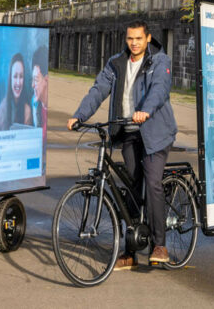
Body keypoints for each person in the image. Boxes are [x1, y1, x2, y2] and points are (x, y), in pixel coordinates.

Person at [67, 20, 177, 269]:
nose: (134, 43)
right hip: (128, 133)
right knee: (131, 187)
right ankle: (130, 252)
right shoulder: (117, 63)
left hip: (154, 132)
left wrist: (145, 111)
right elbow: (98, 89)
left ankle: (159, 244)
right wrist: (79, 115)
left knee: (152, 183)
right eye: (130, 38)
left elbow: (160, 89)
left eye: (139, 38)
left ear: (148, 38)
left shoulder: (159, 61)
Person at [0, 52, 32, 131]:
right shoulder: (1, 113)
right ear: (10, 79)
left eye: (21, 76)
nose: (18, 82)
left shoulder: (27, 111)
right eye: (15, 76)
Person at [30, 46, 48, 131]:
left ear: (46, 79)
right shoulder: (35, 107)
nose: (32, 85)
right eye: (32, 80)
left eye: (36, 80)